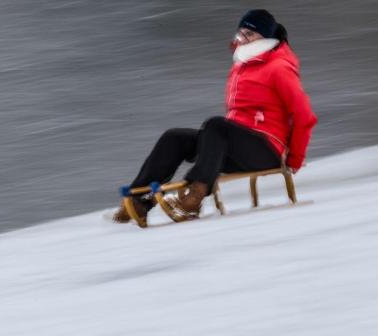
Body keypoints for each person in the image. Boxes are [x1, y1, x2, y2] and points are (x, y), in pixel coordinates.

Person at [114, 9, 317, 223]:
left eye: (250, 34)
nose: (243, 38)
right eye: (241, 33)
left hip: (267, 149)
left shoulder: (278, 68)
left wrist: (294, 159)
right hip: (235, 144)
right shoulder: (244, 65)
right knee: (174, 137)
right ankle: (138, 200)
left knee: (216, 125)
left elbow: (304, 115)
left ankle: (194, 197)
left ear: (265, 37)